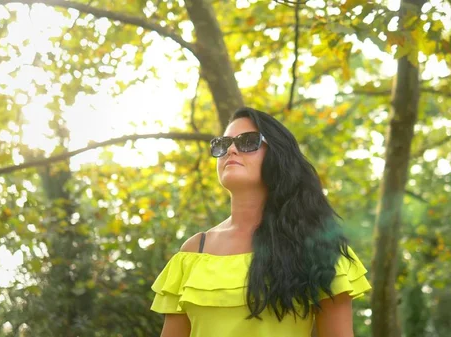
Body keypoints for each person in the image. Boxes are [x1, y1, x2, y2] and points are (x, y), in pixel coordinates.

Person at [150, 107, 371, 337]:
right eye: (223, 144)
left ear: (277, 155)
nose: (231, 150)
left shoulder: (317, 247)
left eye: (247, 141)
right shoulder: (192, 253)